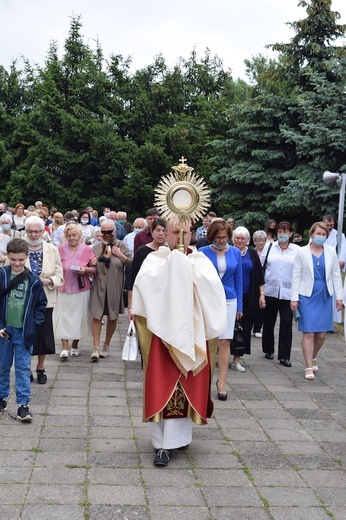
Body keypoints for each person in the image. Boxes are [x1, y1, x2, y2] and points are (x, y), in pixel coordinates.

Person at [132, 219, 227, 467]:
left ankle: (179, 438)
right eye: (176, 232)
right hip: (163, 337)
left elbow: (212, 291)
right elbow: (145, 289)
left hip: (192, 334)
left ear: (193, 233)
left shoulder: (201, 261)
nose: (181, 237)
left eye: (186, 232)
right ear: (166, 234)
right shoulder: (155, 260)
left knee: (187, 387)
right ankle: (161, 444)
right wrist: (174, 269)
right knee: (162, 386)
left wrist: (186, 271)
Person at [0, 239, 47, 421]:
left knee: (22, 368)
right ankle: (2, 398)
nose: (17, 263)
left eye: (21, 259)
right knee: (2, 366)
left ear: (27, 256)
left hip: (24, 332)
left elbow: (41, 306)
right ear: (7, 257)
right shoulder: (2, 275)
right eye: (13, 260)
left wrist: (33, 326)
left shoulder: (34, 280)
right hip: (4, 331)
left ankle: (23, 405)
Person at [291, 222, 343, 381]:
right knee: (309, 332)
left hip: (325, 295)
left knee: (321, 334)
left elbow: (335, 274)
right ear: (311, 235)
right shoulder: (302, 252)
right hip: (307, 295)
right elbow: (296, 275)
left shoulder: (330, 251)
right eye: (318, 234)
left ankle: (313, 356)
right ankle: (308, 366)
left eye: (324, 235)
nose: (321, 237)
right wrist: (294, 298)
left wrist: (339, 297)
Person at [199, 220, 242, 397]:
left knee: (225, 341)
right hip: (208, 298)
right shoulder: (202, 253)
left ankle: (222, 382)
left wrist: (240, 305)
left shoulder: (236, 252)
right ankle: (204, 380)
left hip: (229, 299)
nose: (222, 240)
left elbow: (238, 280)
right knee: (208, 340)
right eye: (218, 237)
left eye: (225, 237)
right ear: (212, 236)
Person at [24, 216, 64, 384]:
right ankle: (26, 367)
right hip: (24, 299)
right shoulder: (19, 248)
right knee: (25, 334)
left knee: (44, 334)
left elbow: (60, 275)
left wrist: (48, 281)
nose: (33, 235)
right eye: (30, 231)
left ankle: (41, 367)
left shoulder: (52, 249)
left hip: (46, 298)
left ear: (42, 231)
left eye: (37, 231)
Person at [90, 219, 132, 360]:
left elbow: (133, 263)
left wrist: (120, 255)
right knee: (96, 314)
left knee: (112, 315)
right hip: (99, 285)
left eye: (110, 231)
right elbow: (86, 266)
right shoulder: (95, 247)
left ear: (115, 231)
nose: (107, 234)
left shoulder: (122, 245)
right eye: (104, 232)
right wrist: (90, 262)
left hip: (115, 286)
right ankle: (95, 347)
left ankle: (106, 345)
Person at [54, 224, 96, 359]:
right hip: (64, 288)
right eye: (69, 235)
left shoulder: (88, 250)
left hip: (81, 288)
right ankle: (64, 348)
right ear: (65, 236)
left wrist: (85, 270)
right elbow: (55, 267)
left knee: (79, 317)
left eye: (75, 235)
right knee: (63, 317)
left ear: (79, 236)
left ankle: (75, 345)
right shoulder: (60, 249)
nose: (72, 238)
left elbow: (95, 270)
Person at [261, 221, 299, 366]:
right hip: (270, 290)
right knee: (269, 322)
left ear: (291, 234)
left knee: (286, 323)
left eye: (286, 232)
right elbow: (261, 267)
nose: (283, 235)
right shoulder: (269, 247)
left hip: (288, 292)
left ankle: (284, 356)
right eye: (280, 232)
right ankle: (268, 349)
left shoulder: (296, 250)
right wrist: (262, 292)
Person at [232, 226, 265, 369]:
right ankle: (222, 354)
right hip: (230, 295)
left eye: (243, 238)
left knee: (244, 327)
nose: (240, 240)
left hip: (248, 295)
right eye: (237, 238)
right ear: (233, 239)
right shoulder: (228, 252)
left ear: (248, 240)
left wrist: (262, 295)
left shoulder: (252, 254)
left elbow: (259, 276)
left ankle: (237, 359)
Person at [128, 218, 167, 318]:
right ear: (152, 232)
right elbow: (133, 280)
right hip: (145, 300)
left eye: (164, 230)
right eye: (158, 230)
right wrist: (130, 308)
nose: (161, 233)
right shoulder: (141, 252)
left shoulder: (171, 252)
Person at [252, 230, 267, 337]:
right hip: (254, 281)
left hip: (266, 281)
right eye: (258, 241)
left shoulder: (269, 252)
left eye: (262, 240)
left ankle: (258, 328)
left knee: (262, 305)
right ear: (254, 242)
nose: (260, 243)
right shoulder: (252, 252)